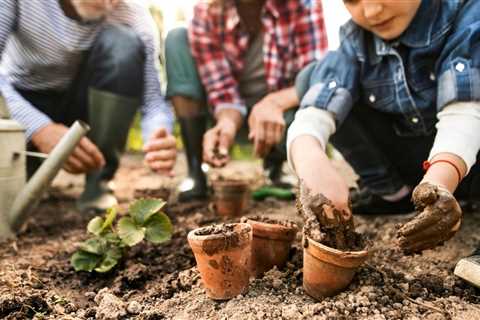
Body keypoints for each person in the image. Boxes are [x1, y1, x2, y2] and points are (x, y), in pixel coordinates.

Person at [287, 0, 480, 281]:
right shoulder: (355, 41)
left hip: (465, 164)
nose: (371, 11)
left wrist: (440, 181)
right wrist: (311, 161)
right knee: (311, 78)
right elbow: (314, 112)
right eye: (352, 0)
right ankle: (393, 195)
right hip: (416, 169)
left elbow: (465, 111)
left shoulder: (466, 13)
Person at [0, 0, 177, 211]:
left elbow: (153, 102)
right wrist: (39, 128)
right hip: (25, 102)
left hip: (86, 106)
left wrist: (159, 133)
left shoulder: (133, 16)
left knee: (124, 44)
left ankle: (99, 181)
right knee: (12, 195)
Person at [164, 0, 328, 202]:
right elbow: (221, 90)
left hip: (282, 116)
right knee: (177, 38)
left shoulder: (303, 4)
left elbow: (316, 77)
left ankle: (275, 165)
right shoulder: (206, 12)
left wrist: (274, 104)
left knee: (309, 105)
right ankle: (195, 170)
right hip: (229, 116)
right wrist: (227, 122)